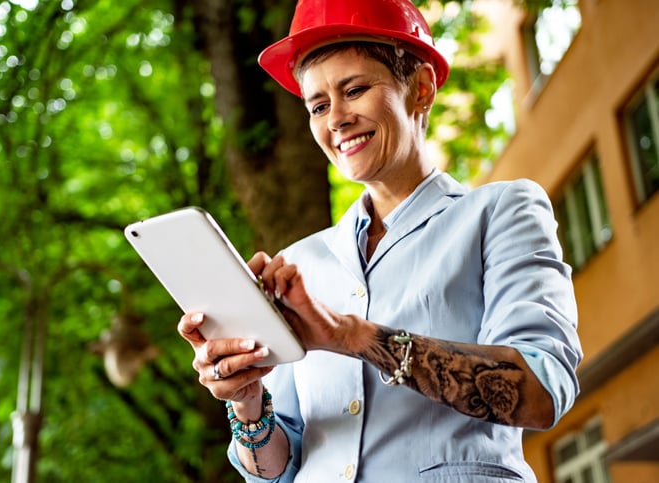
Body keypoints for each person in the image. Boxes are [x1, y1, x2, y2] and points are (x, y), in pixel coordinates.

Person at [177, 0, 583, 481]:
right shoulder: (299, 262)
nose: (337, 119)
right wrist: (247, 403)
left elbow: (540, 391)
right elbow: (274, 471)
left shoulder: (500, 212)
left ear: (422, 88)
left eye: (355, 89)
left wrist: (354, 336)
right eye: (318, 105)